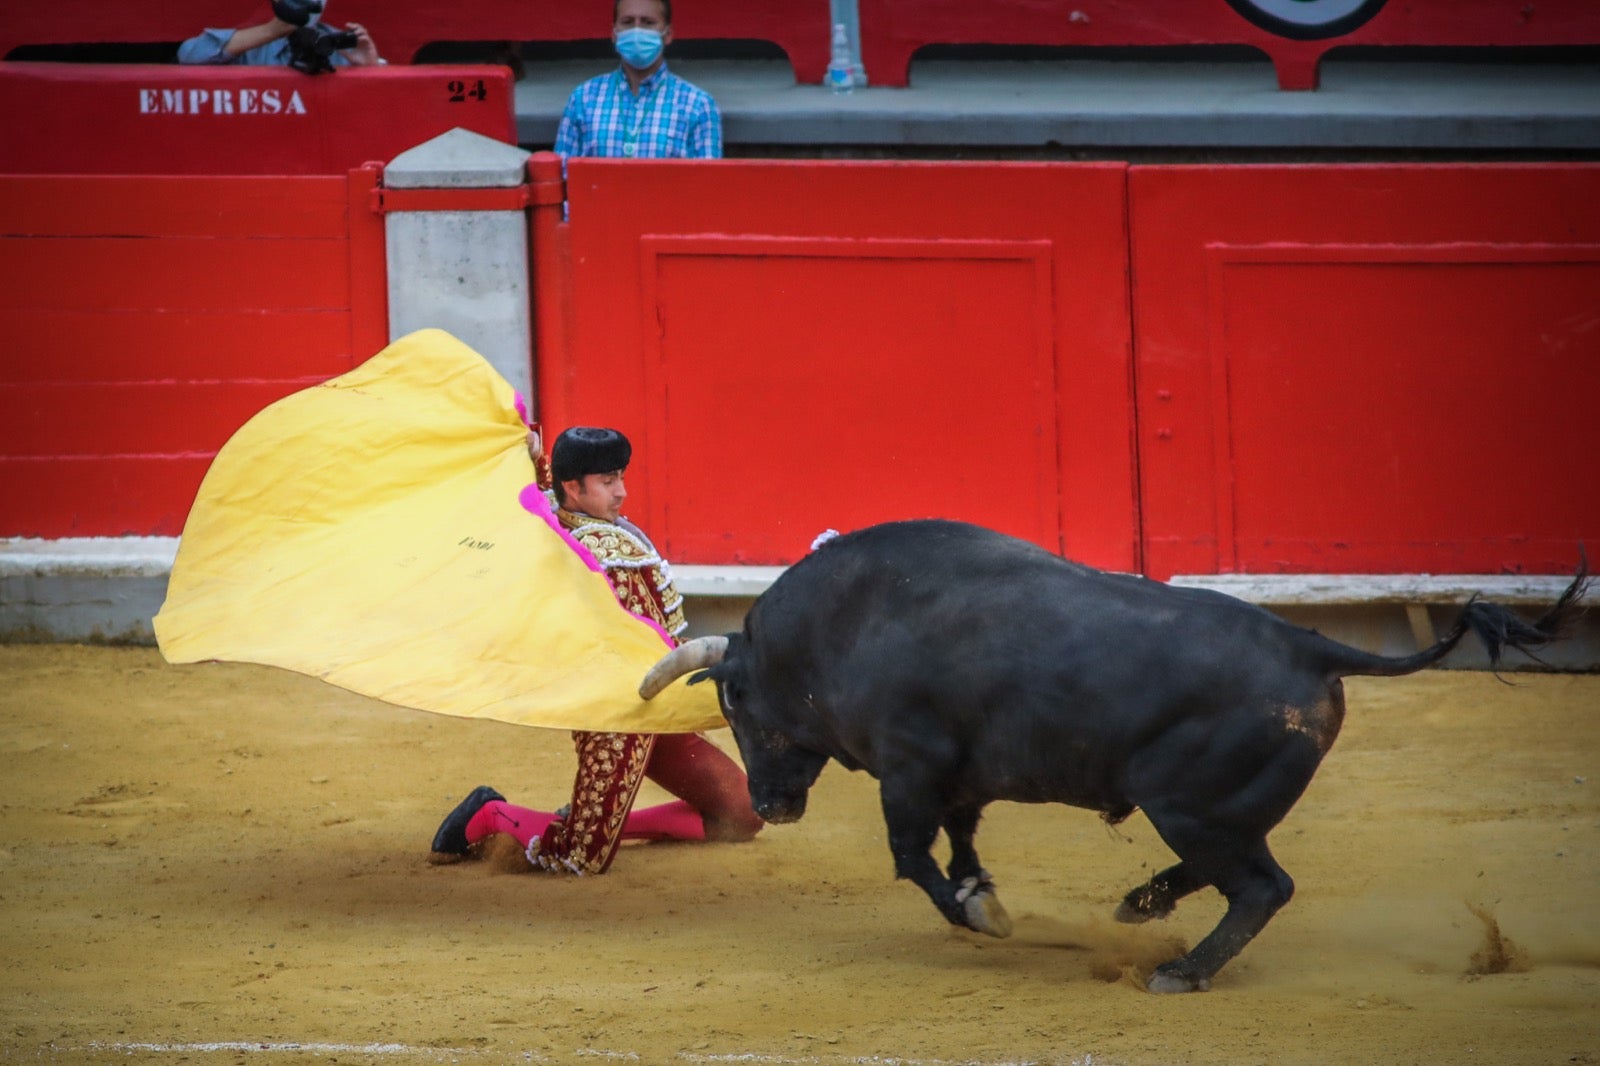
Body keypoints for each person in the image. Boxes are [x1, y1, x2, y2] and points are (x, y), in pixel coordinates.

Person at [429, 426, 763, 875]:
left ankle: (600, 822)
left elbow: (537, 500)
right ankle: (489, 814)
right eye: (608, 481)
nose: (622, 492)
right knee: (579, 859)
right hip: (613, 715)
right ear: (573, 486)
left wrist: (533, 461)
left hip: (655, 700)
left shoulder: (570, 521)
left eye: (620, 477)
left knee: (742, 815)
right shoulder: (592, 544)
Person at [553, 0, 721, 161]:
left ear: (668, 34)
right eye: (627, 22)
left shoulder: (698, 106)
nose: (636, 30)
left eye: (648, 22)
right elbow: (561, 176)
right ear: (614, 34)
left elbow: (708, 184)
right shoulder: (583, 99)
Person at [177, 0, 383, 69]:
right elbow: (188, 56)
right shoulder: (251, 44)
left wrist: (370, 68)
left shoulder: (343, 43)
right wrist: (274, 30)